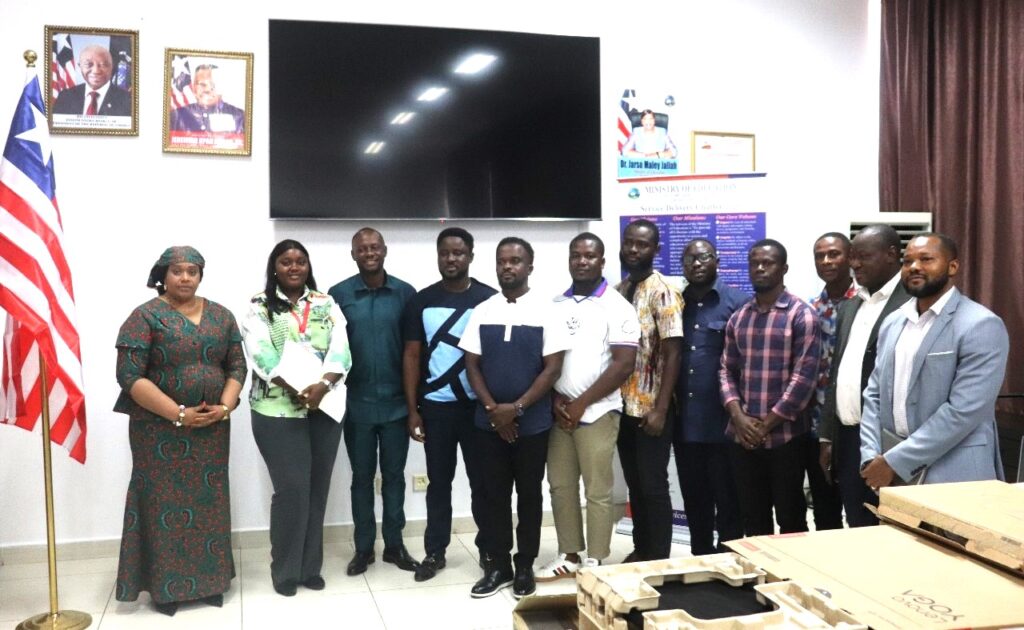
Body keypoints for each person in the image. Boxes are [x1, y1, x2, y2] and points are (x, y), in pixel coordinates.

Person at [114, 246, 246, 616]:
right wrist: (178, 414)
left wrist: (224, 407)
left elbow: (237, 366)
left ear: (201, 275)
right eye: (177, 271)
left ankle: (210, 583)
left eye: (192, 271)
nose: (185, 277)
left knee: (208, 503)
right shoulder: (144, 316)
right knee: (163, 504)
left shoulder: (221, 315)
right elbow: (129, 376)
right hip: (158, 431)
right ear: (163, 275)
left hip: (211, 429)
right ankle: (165, 589)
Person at [242, 239, 352, 597]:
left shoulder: (326, 303)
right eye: (286, 262)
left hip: (324, 408)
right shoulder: (259, 306)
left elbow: (341, 350)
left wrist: (322, 386)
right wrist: (298, 387)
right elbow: (260, 353)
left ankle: (310, 568)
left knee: (317, 490)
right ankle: (285, 570)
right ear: (274, 267)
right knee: (292, 491)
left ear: (308, 267)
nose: (293, 267)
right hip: (276, 410)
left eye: (300, 261)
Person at [459, 237, 567, 599]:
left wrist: (516, 409)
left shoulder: (547, 310)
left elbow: (552, 369)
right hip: (488, 424)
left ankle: (524, 566)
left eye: (516, 261)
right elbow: (471, 365)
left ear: (529, 267)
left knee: (529, 496)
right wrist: (495, 410)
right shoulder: (483, 310)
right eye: (502, 261)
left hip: (532, 425)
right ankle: (499, 565)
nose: (508, 266)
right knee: (493, 495)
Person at [860, 233, 1009, 489]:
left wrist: (895, 462)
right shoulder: (893, 322)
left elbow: (963, 411)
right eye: (908, 261)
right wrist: (871, 455)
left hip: (954, 473)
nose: (914, 267)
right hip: (890, 471)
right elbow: (874, 394)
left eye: (926, 259)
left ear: (953, 267)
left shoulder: (981, 324)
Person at [538, 233, 638, 581]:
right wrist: (557, 399)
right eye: (576, 255)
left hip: (598, 412)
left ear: (602, 261)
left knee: (597, 490)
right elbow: (549, 360)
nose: (582, 261)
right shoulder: (555, 304)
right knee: (560, 485)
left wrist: (582, 403)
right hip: (560, 413)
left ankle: (595, 559)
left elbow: (624, 365)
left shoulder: (617, 306)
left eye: (589, 256)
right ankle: (569, 554)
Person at [401, 227, 497, 582]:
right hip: (436, 409)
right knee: (438, 483)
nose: (451, 258)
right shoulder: (421, 301)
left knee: (482, 483)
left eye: (458, 253)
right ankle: (435, 551)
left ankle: (488, 549)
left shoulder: (490, 299)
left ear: (470, 256)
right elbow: (412, 356)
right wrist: (413, 409)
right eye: (445, 253)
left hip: (478, 408)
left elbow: (497, 355)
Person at [329, 228, 418, 576]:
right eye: (362, 248)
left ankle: (394, 546)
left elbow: (415, 351)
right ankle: (363, 548)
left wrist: (415, 406)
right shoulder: (338, 295)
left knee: (394, 477)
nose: (369, 253)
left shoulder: (405, 293)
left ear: (385, 250)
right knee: (362, 478)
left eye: (374, 247)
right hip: (357, 405)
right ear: (353, 254)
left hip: (397, 404)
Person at [719, 239, 820, 536]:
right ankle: (757, 567)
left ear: (784, 268)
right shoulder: (739, 317)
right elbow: (725, 370)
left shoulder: (801, 315)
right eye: (754, 263)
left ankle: (791, 568)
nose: (760, 268)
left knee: (791, 520)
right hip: (743, 438)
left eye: (768, 262)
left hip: (786, 439)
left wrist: (765, 425)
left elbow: (803, 379)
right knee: (753, 519)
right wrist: (739, 418)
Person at [819, 225, 909, 526]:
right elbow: (836, 373)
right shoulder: (851, 305)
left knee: (893, 530)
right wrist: (827, 436)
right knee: (858, 525)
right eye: (853, 257)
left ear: (891, 255)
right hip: (847, 438)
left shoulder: (912, 301)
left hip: (890, 441)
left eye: (863, 257)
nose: (854, 264)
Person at [673, 239, 747, 555]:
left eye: (703, 257)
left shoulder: (738, 302)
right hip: (685, 423)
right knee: (694, 498)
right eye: (689, 259)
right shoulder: (675, 303)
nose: (696, 264)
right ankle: (700, 557)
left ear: (716, 260)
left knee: (729, 499)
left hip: (725, 423)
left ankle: (730, 558)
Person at [616, 219, 683, 562]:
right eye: (629, 242)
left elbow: (674, 353)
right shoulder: (620, 289)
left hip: (652, 409)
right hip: (622, 408)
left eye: (642, 244)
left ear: (656, 249)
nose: (633, 249)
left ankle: (658, 558)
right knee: (635, 484)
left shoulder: (664, 291)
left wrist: (660, 409)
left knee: (653, 486)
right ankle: (642, 549)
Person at [803, 233, 853, 531]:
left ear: (850, 257)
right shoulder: (810, 308)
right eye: (819, 256)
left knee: (860, 510)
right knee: (824, 509)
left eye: (833, 254)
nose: (826, 261)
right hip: (814, 424)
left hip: (853, 426)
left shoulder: (866, 304)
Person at [53, 44, 131, 116]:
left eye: (103, 65)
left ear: (112, 67)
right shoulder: (65, 97)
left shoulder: (128, 100)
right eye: (88, 64)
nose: (96, 71)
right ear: (80, 66)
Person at [170, 64, 246, 133]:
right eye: (202, 84)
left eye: (213, 85)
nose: (207, 90)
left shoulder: (240, 117)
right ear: (194, 87)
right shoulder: (177, 117)